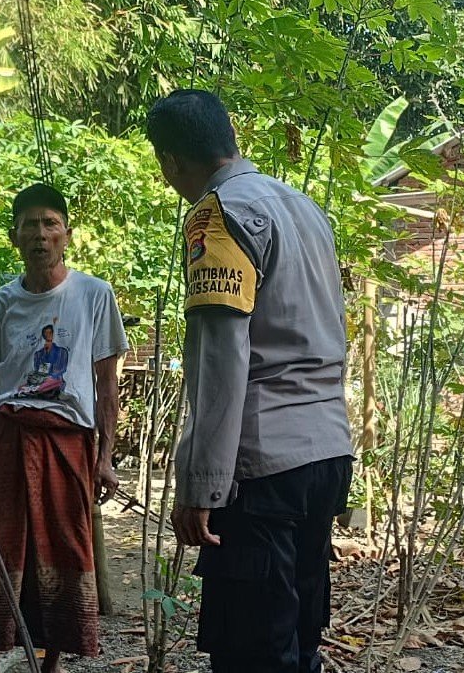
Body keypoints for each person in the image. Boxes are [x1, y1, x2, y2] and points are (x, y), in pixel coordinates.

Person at [146, 89, 355, 673]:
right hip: (326, 451)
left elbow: (222, 357)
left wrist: (203, 486)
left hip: (263, 467)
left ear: (170, 161)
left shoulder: (217, 216)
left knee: (253, 651)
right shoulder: (304, 208)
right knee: (300, 637)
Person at [0, 183, 129, 673]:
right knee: (5, 545)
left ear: (66, 234)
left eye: (49, 224)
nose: (40, 234)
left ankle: (53, 661)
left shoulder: (94, 295)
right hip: (12, 438)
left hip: (68, 439)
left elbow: (106, 384)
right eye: (30, 225)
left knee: (65, 543)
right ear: (14, 237)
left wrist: (104, 458)